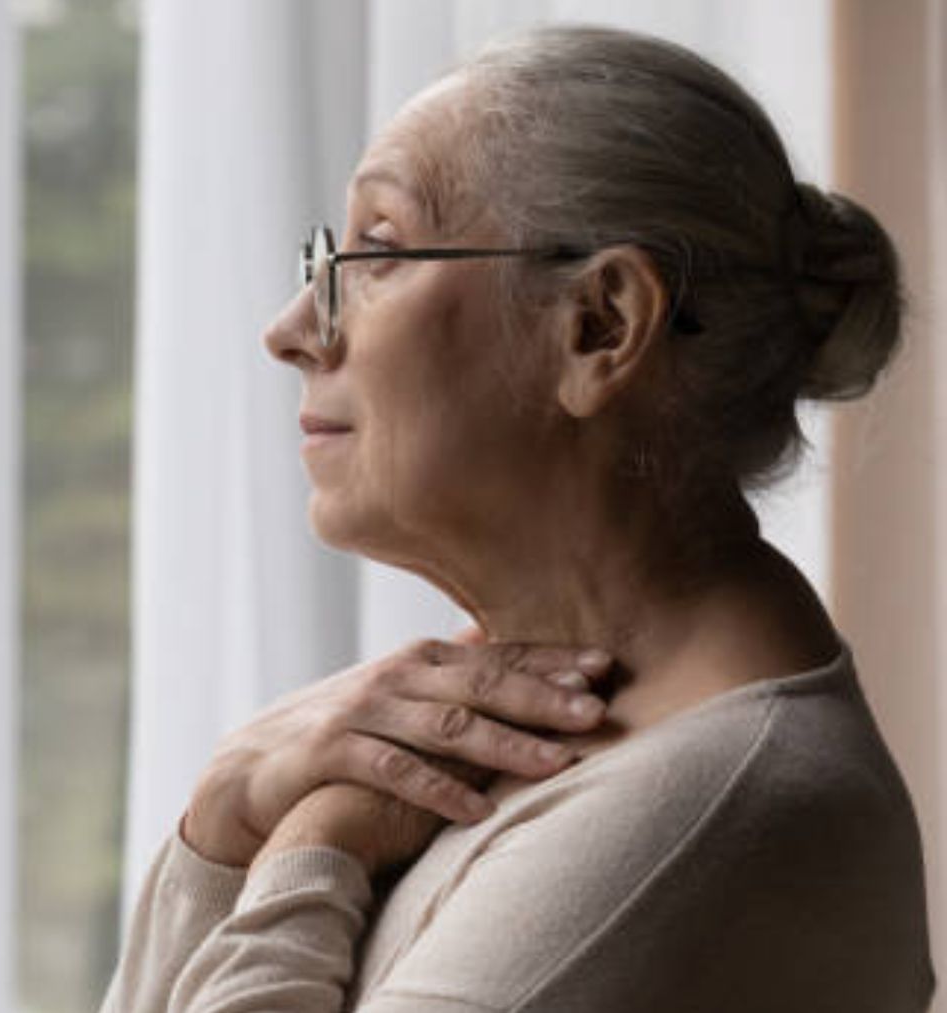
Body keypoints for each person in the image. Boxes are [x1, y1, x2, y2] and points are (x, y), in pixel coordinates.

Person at [99, 24, 934, 1013]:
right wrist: (223, 815)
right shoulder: (509, 742)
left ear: (600, 325)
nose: (292, 331)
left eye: (378, 251)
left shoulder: (695, 813)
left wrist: (307, 839)